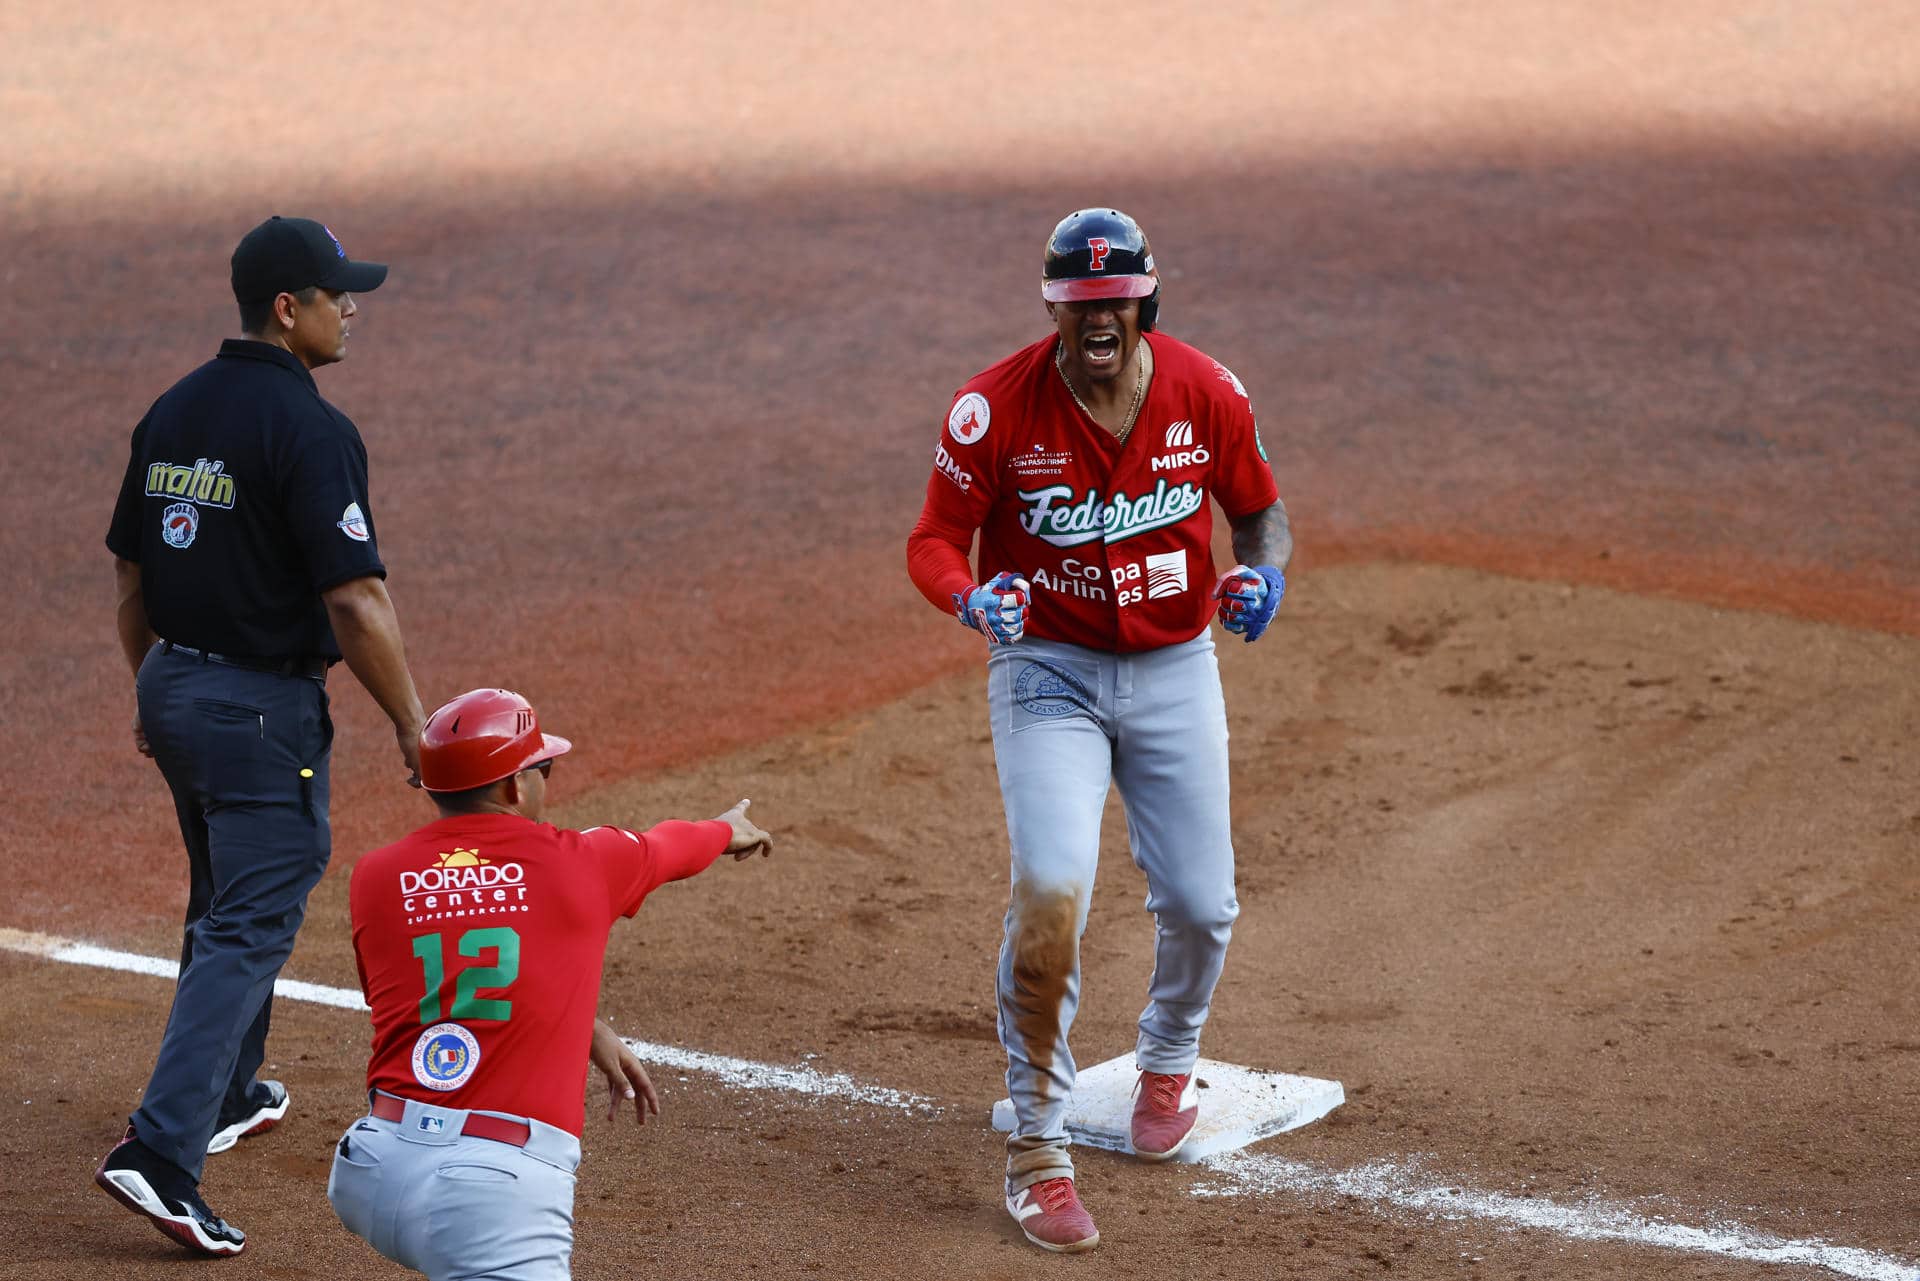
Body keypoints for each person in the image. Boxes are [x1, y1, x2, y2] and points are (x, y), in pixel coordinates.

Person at [906, 208, 1292, 1252]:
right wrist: (969, 601)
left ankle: (1168, 1059)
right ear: (1055, 310)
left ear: (1143, 301)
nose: (1097, 322)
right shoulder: (990, 412)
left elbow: (1259, 509)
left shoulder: (1207, 393)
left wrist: (1266, 573)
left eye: (1113, 302)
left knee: (1204, 905)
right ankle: (1038, 1150)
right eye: (1078, 307)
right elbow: (937, 537)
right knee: (1049, 896)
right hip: (1047, 674)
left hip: (1173, 667)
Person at [95, 215, 428, 1257]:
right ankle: (160, 1154)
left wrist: (155, 692)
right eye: (338, 295)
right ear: (290, 309)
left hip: (176, 688)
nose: (353, 308)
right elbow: (358, 604)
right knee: (251, 921)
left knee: (220, 894)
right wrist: (417, 728)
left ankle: (231, 1088)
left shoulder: (172, 409)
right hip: (256, 710)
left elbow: (132, 579)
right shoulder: (310, 428)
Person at [328, 687, 774, 1279]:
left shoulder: (374, 875)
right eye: (544, 767)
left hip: (370, 1171)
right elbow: (673, 845)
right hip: (489, 1198)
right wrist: (725, 827)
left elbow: (432, 990)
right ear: (515, 786)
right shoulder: (585, 860)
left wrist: (580, 1023)